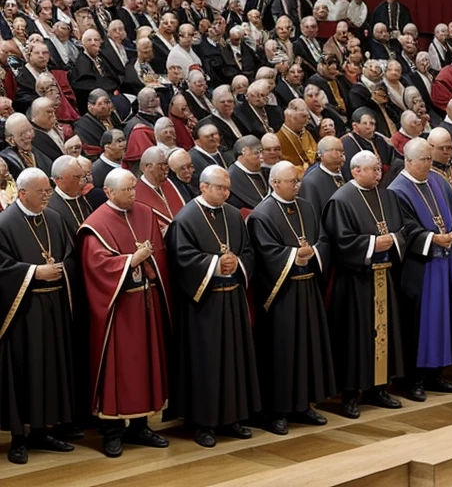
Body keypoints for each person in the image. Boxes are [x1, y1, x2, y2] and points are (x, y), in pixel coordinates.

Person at [78, 168, 171, 458]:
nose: (132, 194)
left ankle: (141, 426)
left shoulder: (145, 213)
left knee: (146, 365)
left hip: (146, 303)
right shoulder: (96, 224)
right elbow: (96, 266)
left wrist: (149, 264)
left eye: (134, 189)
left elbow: (160, 255)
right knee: (121, 370)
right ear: (108, 192)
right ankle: (112, 432)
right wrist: (133, 259)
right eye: (127, 190)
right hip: (118, 311)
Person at [166, 165, 259, 446]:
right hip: (202, 306)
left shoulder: (232, 214)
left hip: (232, 299)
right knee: (206, 363)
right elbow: (180, 259)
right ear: (203, 187)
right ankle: (203, 423)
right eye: (220, 188)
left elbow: (247, 251)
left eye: (228, 188)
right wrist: (216, 264)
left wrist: (237, 263)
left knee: (234, 359)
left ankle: (232, 417)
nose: (226, 193)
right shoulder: (186, 219)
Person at [247, 160, 335, 435]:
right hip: (281, 295)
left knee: (308, 347)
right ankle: (278, 411)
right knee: (283, 353)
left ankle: (303, 405)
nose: (297, 186)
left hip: (308, 289)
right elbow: (265, 255)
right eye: (291, 182)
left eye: (297, 181)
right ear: (274, 183)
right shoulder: (263, 214)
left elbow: (322, 240)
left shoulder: (306, 207)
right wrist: (295, 255)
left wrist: (313, 252)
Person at [0, 168, 75, 465]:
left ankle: (44, 431)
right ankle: (19, 438)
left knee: (50, 369)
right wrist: (34, 272)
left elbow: (70, 255)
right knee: (24, 371)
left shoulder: (54, 219)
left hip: (53, 307)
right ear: (22, 193)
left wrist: (60, 270)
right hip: (23, 311)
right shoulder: (5, 223)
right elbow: (2, 267)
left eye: (48, 191)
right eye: (42, 192)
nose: (48, 196)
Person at [324, 149, 405, 417]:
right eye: (372, 169)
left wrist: (393, 240)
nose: (378, 173)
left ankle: (378, 388)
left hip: (384, 275)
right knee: (355, 338)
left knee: (384, 335)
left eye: (379, 169)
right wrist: (373, 243)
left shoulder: (387, 195)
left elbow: (402, 229)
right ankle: (349, 395)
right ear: (356, 171)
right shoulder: (342, 200)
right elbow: (340, 242)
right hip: (355, 282)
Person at [388, 139, 452, 396]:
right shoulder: (397, 190)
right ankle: (414, 380)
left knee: (444, 319)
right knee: (420, 324)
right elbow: (404, 228)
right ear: (408, 161)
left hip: (444, 262)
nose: (429, 164)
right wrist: (432, 238)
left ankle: (437, 373)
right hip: (419, 268)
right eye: (423, 160)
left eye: (430, 159)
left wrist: (451, 233)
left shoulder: (437, 181)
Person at [134, 145, 185, 234]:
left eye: (166, 165)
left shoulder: (170, 183)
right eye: (161, 166)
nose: (166, 170)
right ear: (147, 167)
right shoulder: (136, 193)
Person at [297, 136, 346, 216]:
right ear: (321, 154)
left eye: (342, 151)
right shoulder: (311, 182)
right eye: (336, 150)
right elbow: (311, 214)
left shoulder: (347, 172)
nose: (341, 154)